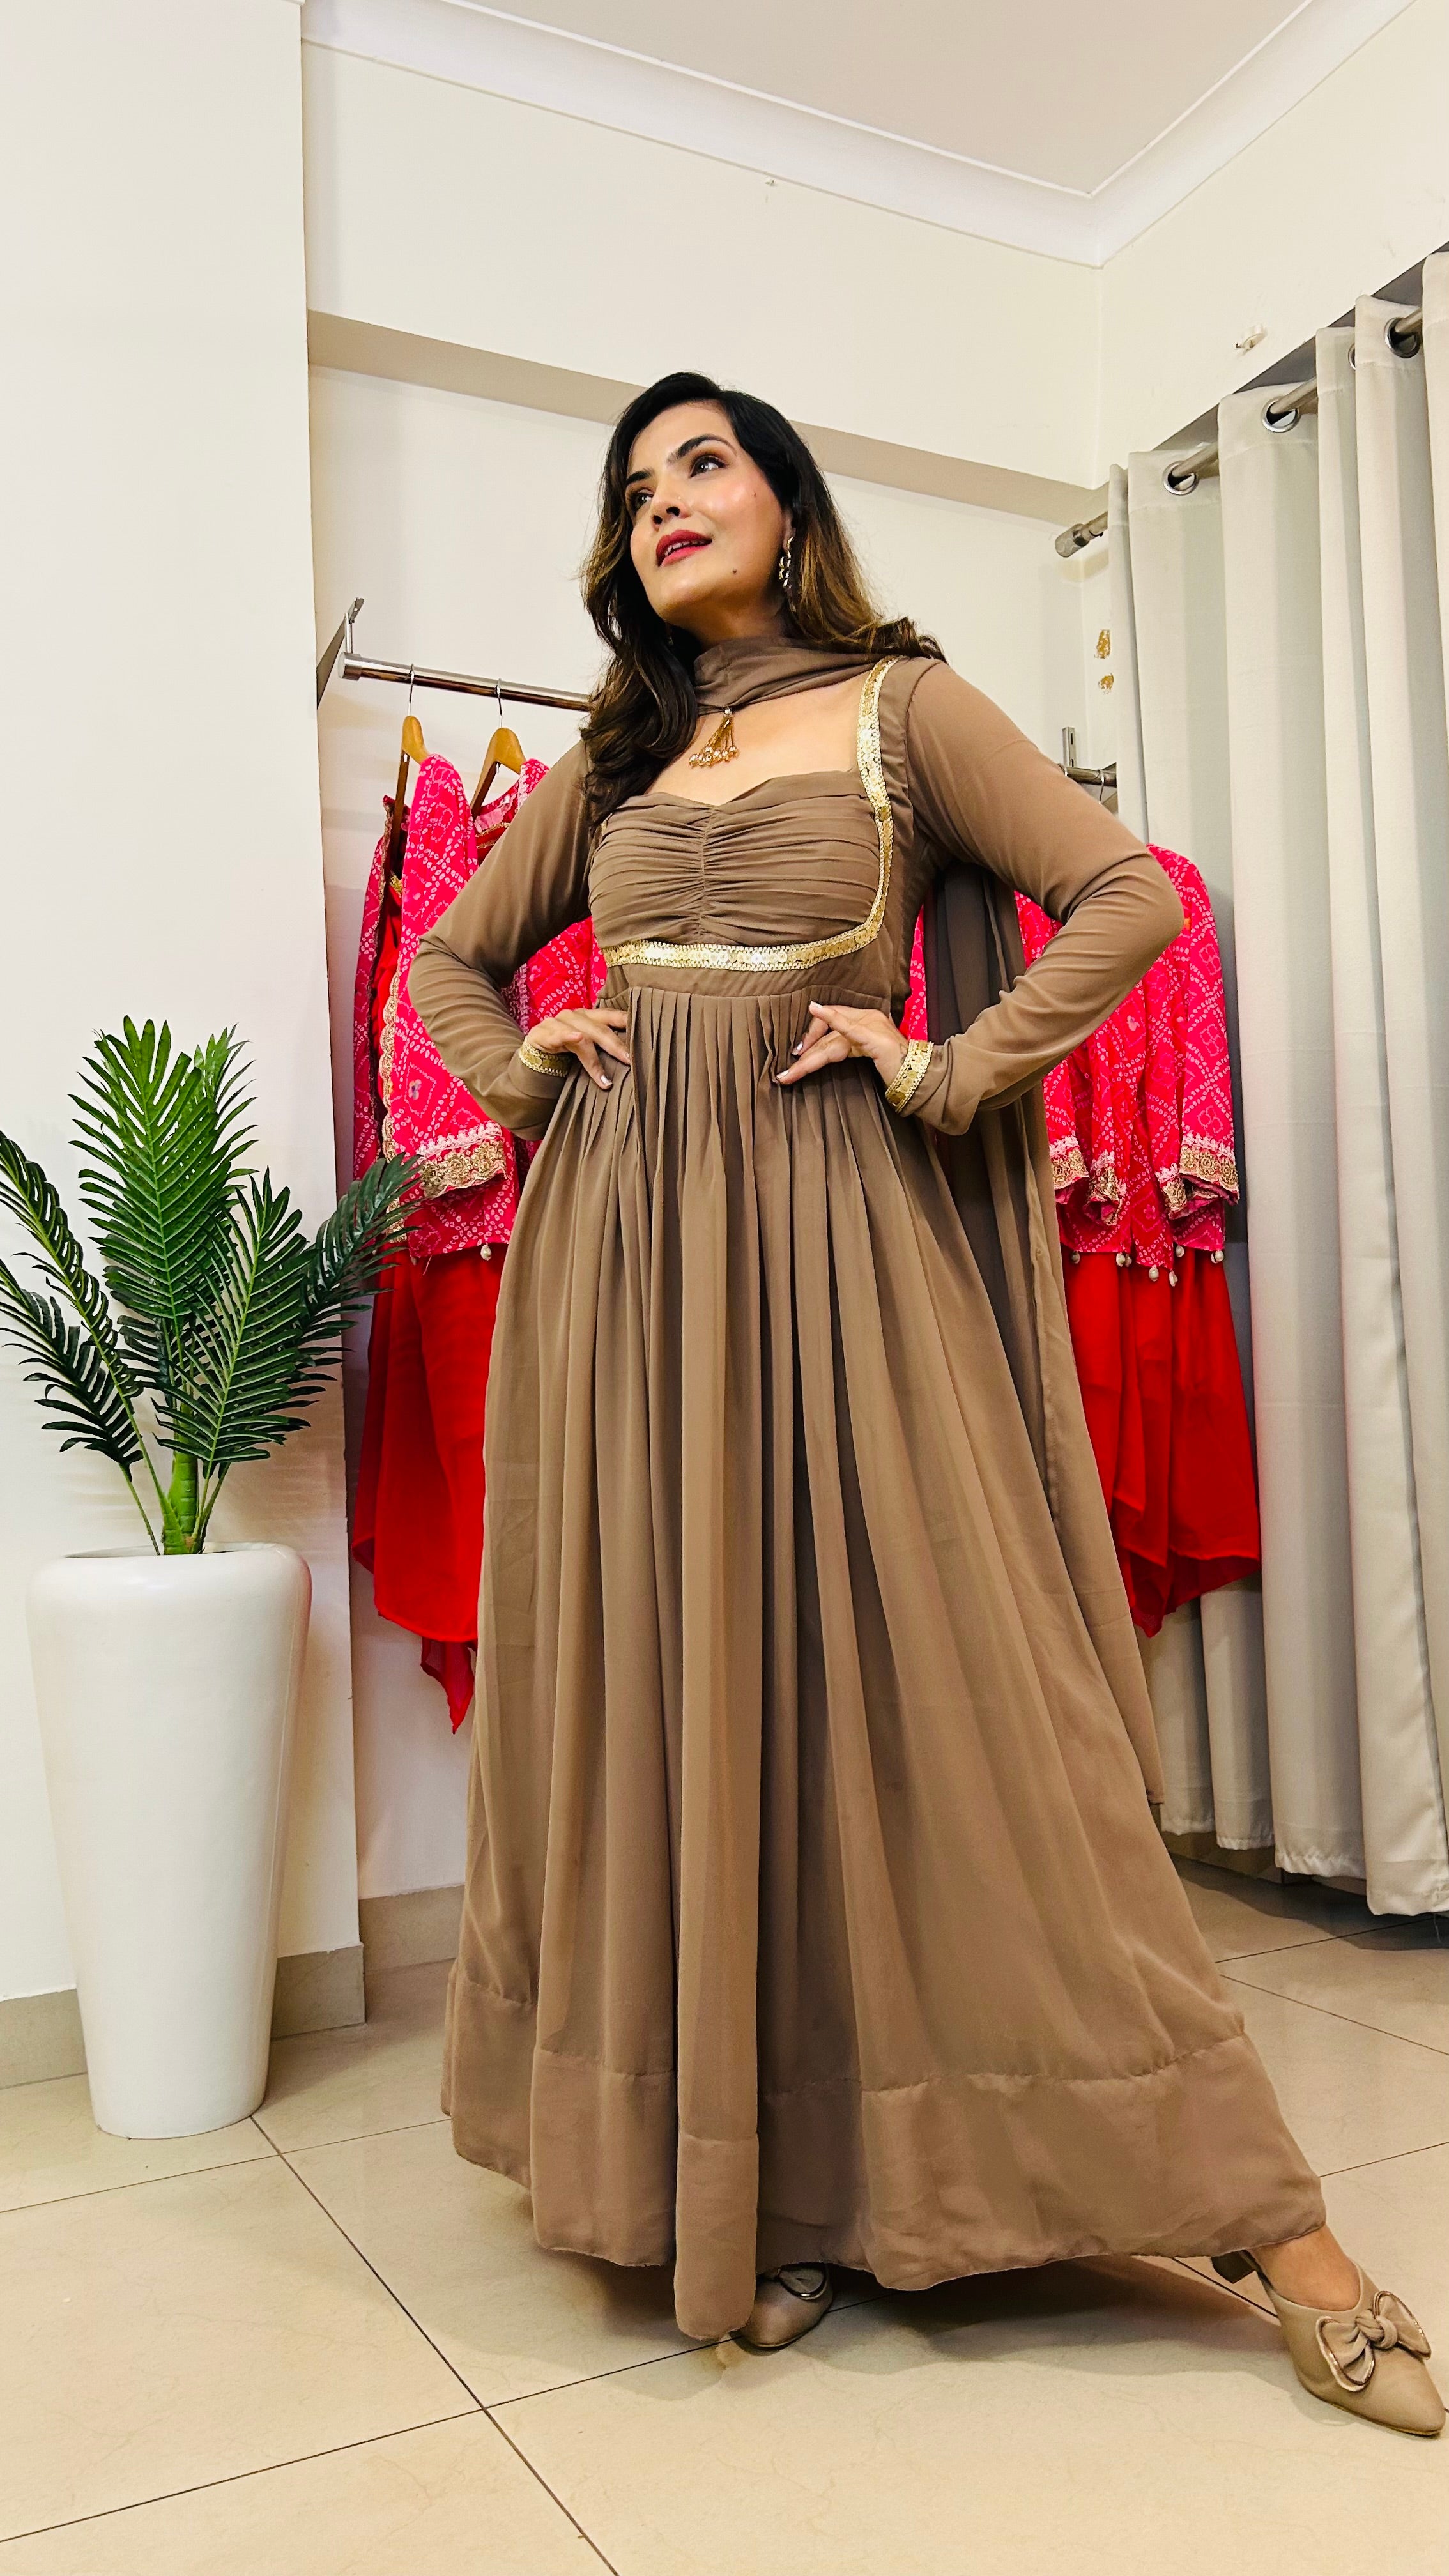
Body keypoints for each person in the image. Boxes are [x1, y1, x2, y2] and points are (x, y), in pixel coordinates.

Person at [408, 372, 1441, 2437]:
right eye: (635, 484)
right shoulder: (613, 757)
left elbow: (1131, 895)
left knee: (957, 1697)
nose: (664, 500)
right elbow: (452, 967)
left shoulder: (905, 708)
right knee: (690, 1684)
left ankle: (1266, 2225)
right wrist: (531, 1064)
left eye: (703, 463)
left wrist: (953, 1068)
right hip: (625, 1266)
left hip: (837, 1244)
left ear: (787, 507)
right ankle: (780, 2185)